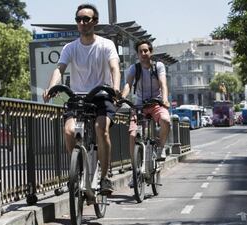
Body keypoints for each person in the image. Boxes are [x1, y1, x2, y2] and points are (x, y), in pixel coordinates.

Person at [42, 4, 120, 194]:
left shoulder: (106, 44)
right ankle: (77, 171)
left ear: (95, 22)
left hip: (101, 95)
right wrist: (52, 86)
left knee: (101, 128)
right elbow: (59, 69)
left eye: (86, 19)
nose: (82, 23)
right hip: (78, 97)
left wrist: (115, 88)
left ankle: (104, 178)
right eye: (79, 20)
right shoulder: (71, 47)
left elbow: (114, 68)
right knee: (69, 131)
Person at [121, 39, 170, 161]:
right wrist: (122, 98)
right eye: (140, 52)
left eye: (145, 51)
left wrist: (164, 99)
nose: (143, 53)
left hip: (157, 104)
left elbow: (163, 84)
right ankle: (134, 167)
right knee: (133, 135)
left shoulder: (158, 66)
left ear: (151, 52)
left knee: (165, 120)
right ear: (137, 54)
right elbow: (128, 84)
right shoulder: (134, 68)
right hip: (139, 106)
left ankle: (161, 147)